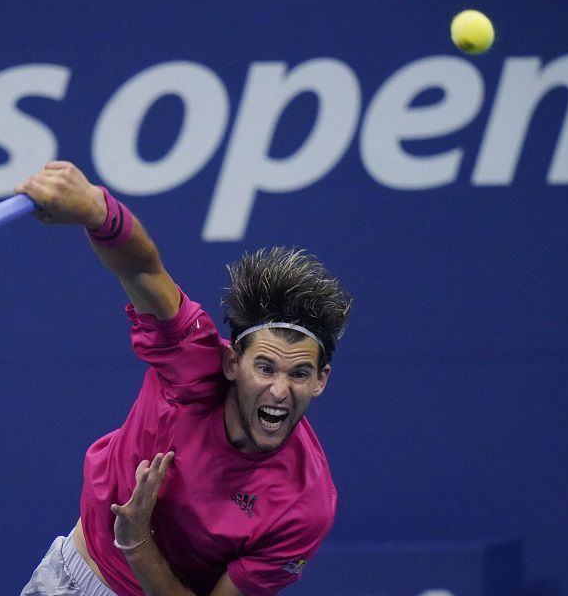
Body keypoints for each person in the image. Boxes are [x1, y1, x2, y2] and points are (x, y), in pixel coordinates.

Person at [17, 161, 352, 596]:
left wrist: (137, 542)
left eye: (299, 373)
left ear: (321, 380)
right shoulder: (190, 361)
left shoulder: (305, 505)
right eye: (265, 367)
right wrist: (97, 211)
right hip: (73, 579)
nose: (279, 390)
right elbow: (142, 270)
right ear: (232, 363)